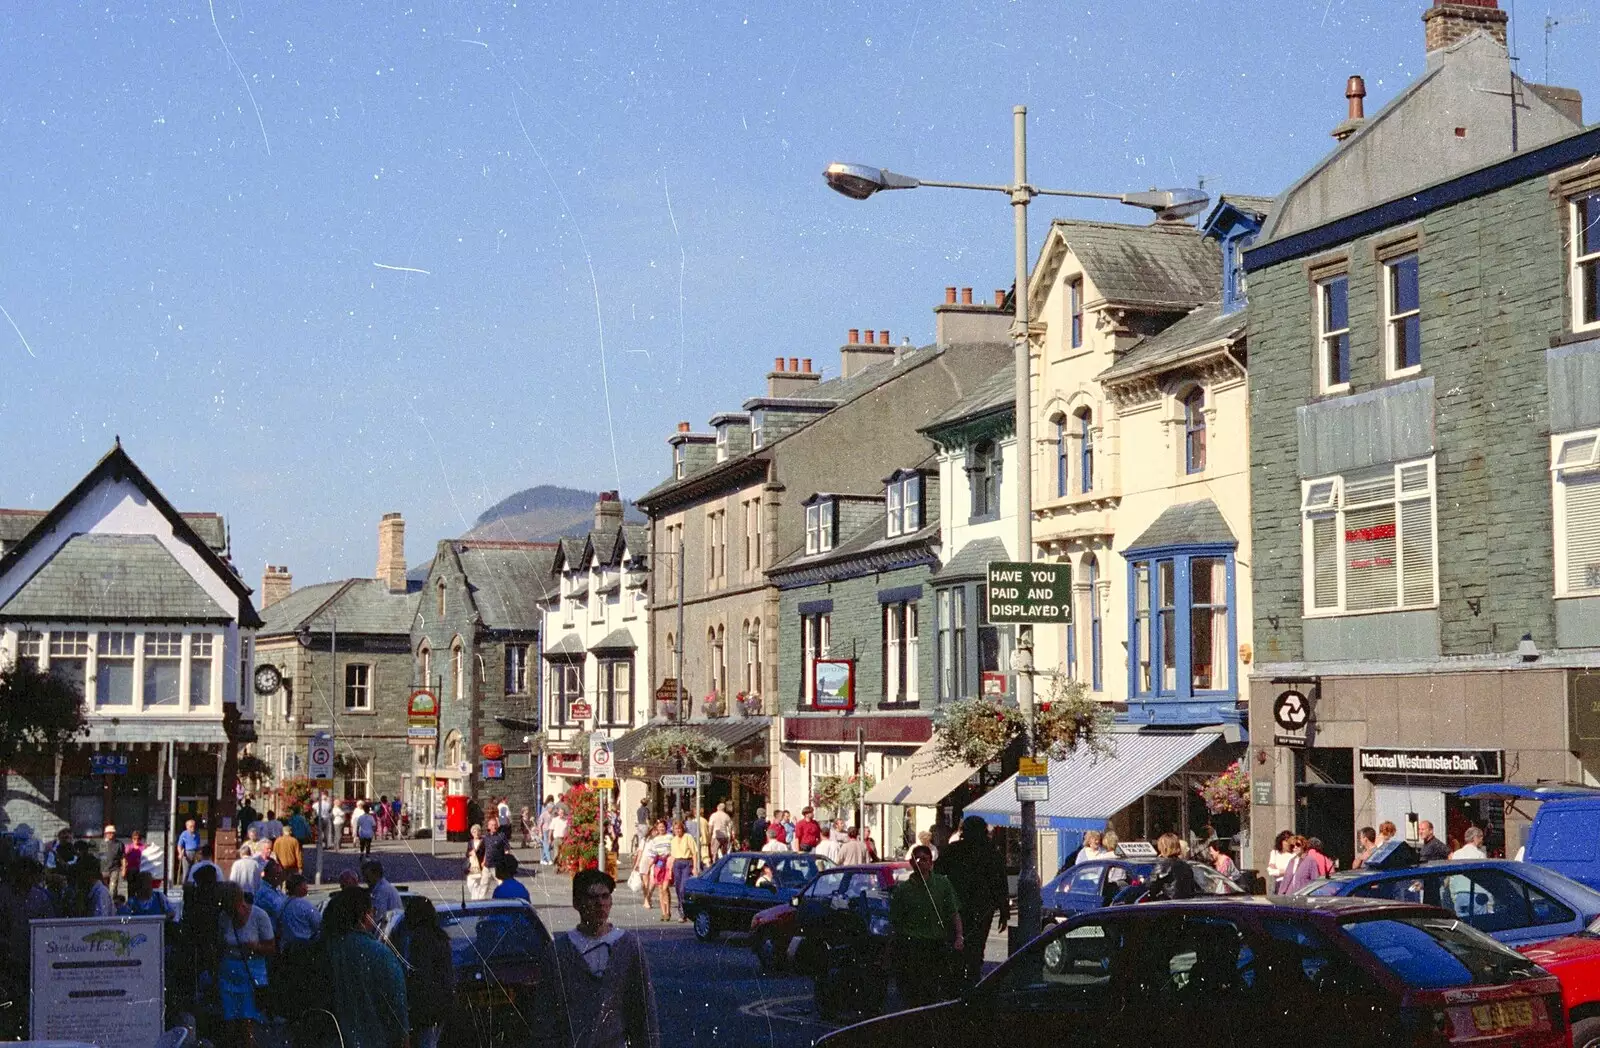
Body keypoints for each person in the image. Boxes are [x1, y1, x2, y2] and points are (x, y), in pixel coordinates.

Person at [532, 868, 660, 1048]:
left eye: (605, 896)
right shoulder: (559, 951)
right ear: (577, 903)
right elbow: (546, 1014)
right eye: (592, 898)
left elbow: (644, 1009)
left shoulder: (628, 947)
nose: (600, 903)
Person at [323, 886, 409, 1048]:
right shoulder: (380, 954)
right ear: (364, 916)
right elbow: (398, 1011)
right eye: (372, 912)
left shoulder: (325, 949)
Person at [934, 815, 1008, 987]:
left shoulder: (953, 850)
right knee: (977, 946)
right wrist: (1003, 910)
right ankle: (973, 979)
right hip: (982, 907)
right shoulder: (992, 852)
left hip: (957, 905)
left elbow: (937, 874)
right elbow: (1000, 883)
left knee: (957, 943)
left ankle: (957, 980)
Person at [889, 845, 964, 1009]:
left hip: (935, 944)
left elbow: (954, 912)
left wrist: (959, 936)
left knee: (933, 988)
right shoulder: (903, 889)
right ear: (911, 863)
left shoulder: (942, 884)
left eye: (925, 859)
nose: (921, 863)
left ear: (931, 863)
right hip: (912, 945)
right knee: (913, 989)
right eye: (917, 859)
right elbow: (895, 921)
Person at [217, 881, 276, 1048]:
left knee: (248, 1021)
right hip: (229, 972)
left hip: (251, 972)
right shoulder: (224, 917)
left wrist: (255, 946)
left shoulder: (259, 916)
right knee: (230, 1019)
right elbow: (220, 943)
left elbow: (271, 948)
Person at [396, 896, 452, 1048]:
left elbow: (421, 976)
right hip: (439, 1006)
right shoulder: (440, 937)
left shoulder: (420, 939)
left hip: (424, 1008)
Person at [1146, 833, 1199, 900]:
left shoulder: (1163, 865)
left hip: (1167, 905)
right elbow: (1192, 888)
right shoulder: (1186, 866)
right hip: (1186, 904)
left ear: (1164, 848)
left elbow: (1150, 887)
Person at [277, 874, 321, 950]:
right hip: (304, 947)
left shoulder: (283, 903)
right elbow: (318, 924)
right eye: (304, 885)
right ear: (297, 887)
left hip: (286, 948)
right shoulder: (305, 905)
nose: (307, 887)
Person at [667, 819, 699, 922]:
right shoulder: (673, 840)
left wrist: (694, 867)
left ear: (682, 829)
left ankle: (685, 911)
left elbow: (694, 853)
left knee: (682, 888)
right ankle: (682, 912)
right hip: (677, 864)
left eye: (679, 828)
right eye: (676, 829)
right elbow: (672, 856)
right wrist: (669, 870)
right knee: (677, 889)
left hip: (686, 862)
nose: (678, 831)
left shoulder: (688, 837)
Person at [363, 859, 403, 925]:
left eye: (367, 876)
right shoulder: (383, 888)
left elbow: (378, 917)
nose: (364, 880)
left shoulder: (382, 891)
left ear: (376, 874)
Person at [253, 861, 288, 926]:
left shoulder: (274, 886)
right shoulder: (264, 891)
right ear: (269, 875)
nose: (281, 877)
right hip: (269, 929)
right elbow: (281, 909)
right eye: (278, 874)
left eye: (281, 873)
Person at [97, 825, 125, 901]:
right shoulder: (101, 843)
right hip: (103, 869)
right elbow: (99, 857)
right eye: (109, 833)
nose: (110, 834)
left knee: (113, 888)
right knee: (104, 888)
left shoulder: (119, 844)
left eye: (112, 833)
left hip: (115, 869)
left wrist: (124, 869)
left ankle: (112, 904)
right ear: (106, 833)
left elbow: (123, 857)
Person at [464, 824, 493, 900]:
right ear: (472, 833)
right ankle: (475, 897)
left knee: (481, 883)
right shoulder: (470, 842)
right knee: (470, 883)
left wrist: (484, 861)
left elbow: (487, 852)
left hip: (481, 865)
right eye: (474, 832)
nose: (476, 833)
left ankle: (477, 899)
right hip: (472, 866)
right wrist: (470, 853)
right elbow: (466, 853)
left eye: (478, 831)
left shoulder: (483, 841)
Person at [177, 817, 203, 883]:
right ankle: (184, 886)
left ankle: (195, 886)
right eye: (191, 826)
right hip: (187, 854)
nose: (193, 828)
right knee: (186, 871)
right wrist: (180, 853)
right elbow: (179, 845)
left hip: (196, 853)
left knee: (196, 870)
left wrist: (200, 854)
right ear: (187, 827)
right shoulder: (184, 834)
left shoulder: (197, 834)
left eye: (194, 826)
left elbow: (198, 845)